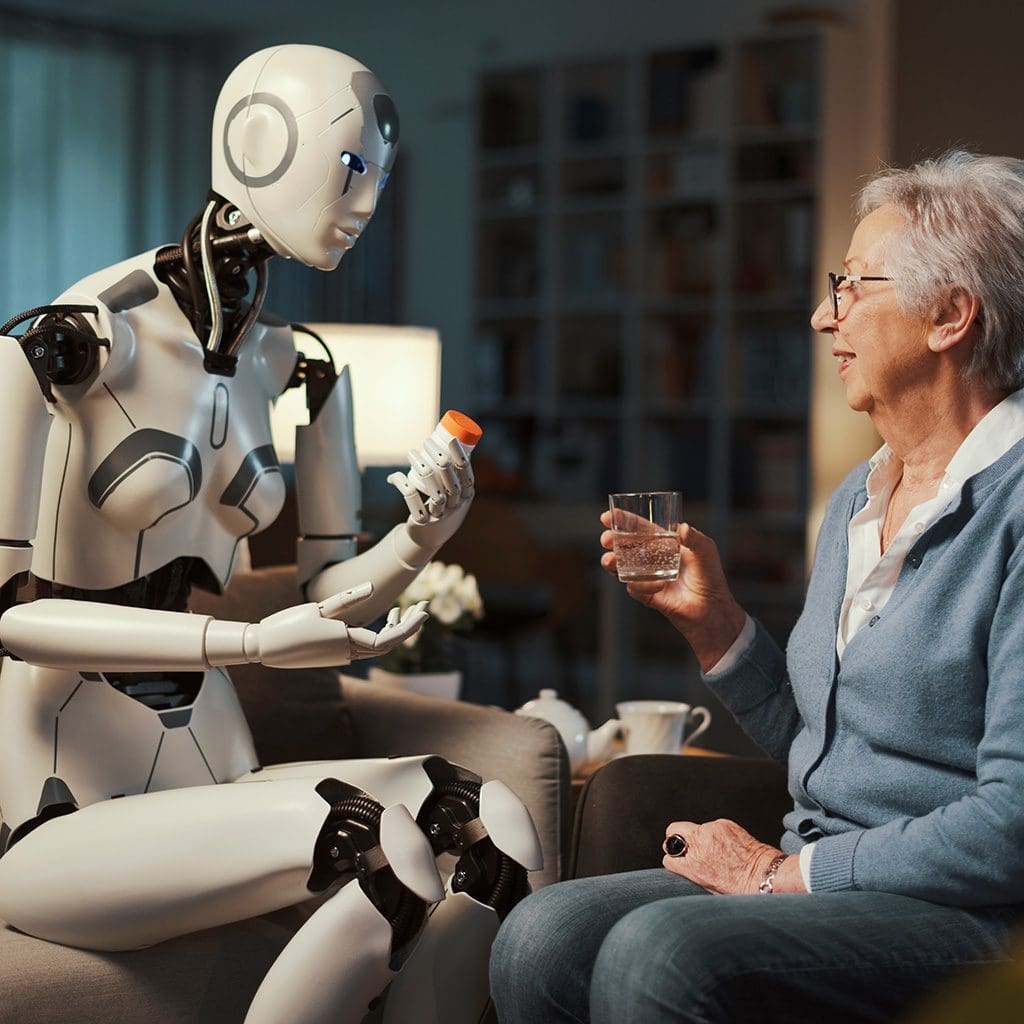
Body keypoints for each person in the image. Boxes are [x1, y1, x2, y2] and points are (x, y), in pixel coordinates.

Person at [0, 44, 538, 1024]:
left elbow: (324, 592)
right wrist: (242, 642)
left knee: (493, 824)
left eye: (379, 177)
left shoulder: (300, 364)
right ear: (260, 144)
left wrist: (419, 540)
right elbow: (13, 618)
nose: (367, 204)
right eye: (349, 170)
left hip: (214, 769)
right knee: (375, 845)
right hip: (62, 800)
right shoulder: (65, 343)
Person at [489, 150, 1024, 1022]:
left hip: (967, 917)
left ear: (951, 315)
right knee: (542, 934)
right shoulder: (860, 496)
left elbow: (1010, 825)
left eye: (852, 286)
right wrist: (719, 630)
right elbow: (828, 753)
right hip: (828, 877)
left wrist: (783, 875)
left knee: (659, 955)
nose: (823, 316)